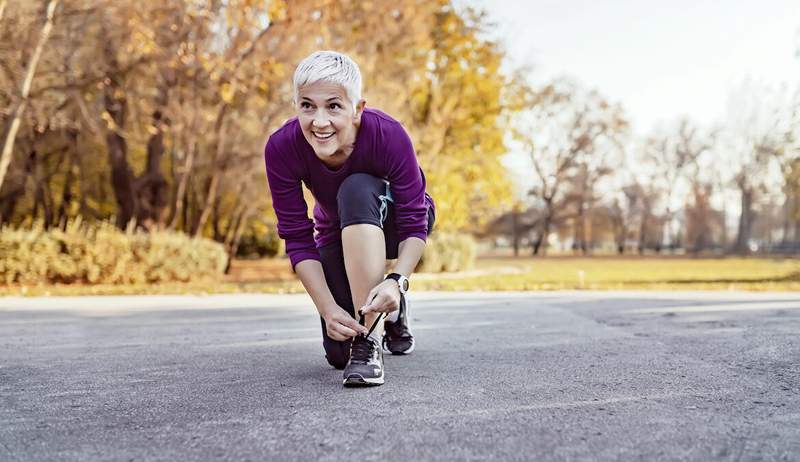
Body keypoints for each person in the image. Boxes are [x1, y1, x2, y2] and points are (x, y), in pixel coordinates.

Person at [263, 50, 435, 387]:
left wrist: (397, 279)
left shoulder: (388, 134)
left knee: (354, 189)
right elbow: (298, 238)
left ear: (357, 109)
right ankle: (390, 312)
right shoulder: (281, 148)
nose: (319, 121)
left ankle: (371, 341)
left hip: (396, 223)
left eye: (334, 106)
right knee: (339, 352)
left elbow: (415, 222)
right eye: (307, 105)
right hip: (337, 233)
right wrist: (327, 308)